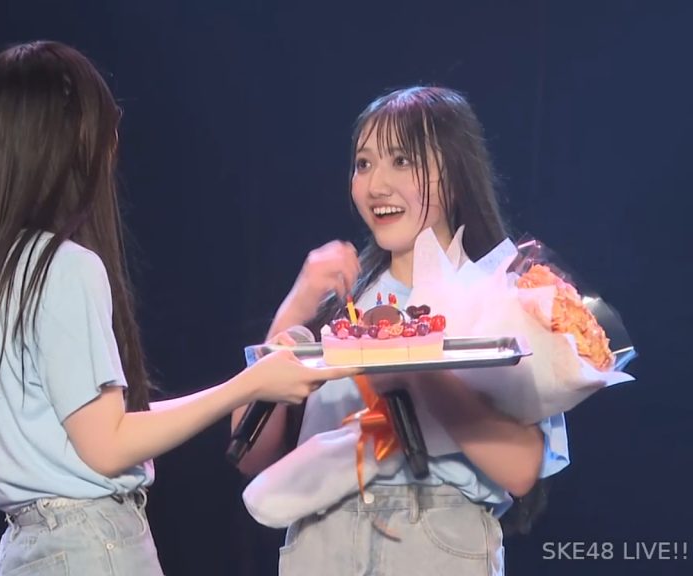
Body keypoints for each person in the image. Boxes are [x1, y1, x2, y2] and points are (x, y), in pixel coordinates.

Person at [0, 40, 358, 576]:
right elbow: (108, 446)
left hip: (28, 549)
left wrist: (250, 382)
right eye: (107, 124)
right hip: (88, 547)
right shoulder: (66, 267)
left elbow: (105, 426)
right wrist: (249, 386)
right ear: (73, 137)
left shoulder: (3, 270)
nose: (114, 144)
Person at [232, 86, 570, 575]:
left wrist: (415, 369)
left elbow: (521, 472)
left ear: (455, 174)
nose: (376, 185)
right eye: (363, 164)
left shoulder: (502, 296)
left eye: (402, 161)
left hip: (434, 537)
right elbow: (251, 455)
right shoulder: (339, 303)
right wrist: (296, 307)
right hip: (320, 539)